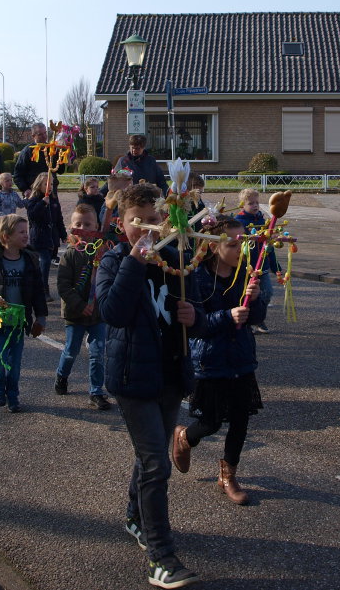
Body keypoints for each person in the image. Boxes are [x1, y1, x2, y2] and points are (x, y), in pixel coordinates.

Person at [96, 183, 204, 589]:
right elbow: (113, 312)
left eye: (153, 220)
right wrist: (135, 262)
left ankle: (134, 516)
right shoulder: (114, 262)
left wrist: (194, 314)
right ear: (120, 224)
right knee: (158, 464)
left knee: (151, 455)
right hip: (133, 378)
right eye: (136, 222)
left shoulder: (173, 259)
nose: (147, 230)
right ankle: (162, 558)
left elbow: (195, 305)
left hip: (170, 375)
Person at [172, 218, 265, 504]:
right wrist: (228, 316)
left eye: (244, 244)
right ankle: (185, 437)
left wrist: (256, 300)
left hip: (241, 359)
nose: (241, 250)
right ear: (213, 247)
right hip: (211, 361)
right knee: (211, 422)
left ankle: (228, 475)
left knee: (240, 419)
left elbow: (257, 319)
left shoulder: (245, 274)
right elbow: (196, 323)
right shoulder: (198, 277)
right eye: (234, 244)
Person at [0, 213, 47, 412]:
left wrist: (40, 317)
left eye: (26, 231)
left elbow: (38, 290)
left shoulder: (30, 260)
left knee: (14, 362)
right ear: (6, 236)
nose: (26, 235)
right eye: (21, 232)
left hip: (18, 323)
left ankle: (13, 396)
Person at [54, 203, 111, 409]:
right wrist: (79, 305)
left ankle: (96, 391)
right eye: (78, 224)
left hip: (97, 314)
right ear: (72, 226)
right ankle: (62, 375)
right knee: (71, 350)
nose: (84, 229)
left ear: (96, 225)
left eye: (88, 224)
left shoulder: (103, 252)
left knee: (97, 352)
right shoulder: (69, 255)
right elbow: (63, 286)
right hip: (75, 313)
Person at [235, 188, 278, 334]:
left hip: (263, 265)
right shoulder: (238, 222)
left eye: (257, 202)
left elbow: (269, 245)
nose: (255, 206)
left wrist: (275, 264)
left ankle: (259, 318)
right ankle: (248, 320)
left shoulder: (263, 220)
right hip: (247, 266)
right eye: (250, 203)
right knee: (247, 294)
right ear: (242, 205)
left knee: (267, 292)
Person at [26, 172, 66, 300]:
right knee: (45, 261)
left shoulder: (54, 199)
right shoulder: (34, 199)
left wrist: (63, 234)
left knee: (47, 261)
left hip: (51, 236)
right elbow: (32, 215)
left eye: (52, 184)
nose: (50, 186)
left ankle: (37, 285)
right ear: (39, 185)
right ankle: (44, 289)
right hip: (39, 236)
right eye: (46, 184)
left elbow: (58, 218)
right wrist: (43, 203)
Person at [13, 123, 51, 192]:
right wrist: (25, 189)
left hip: (50, 191)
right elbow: (18, 174)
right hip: (33, 192)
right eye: (40, 134)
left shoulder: (51, 149)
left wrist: (65, 156)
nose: (44, 136)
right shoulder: (27, 151)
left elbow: (60, 170)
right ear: (33, 136)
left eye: (45, 133)